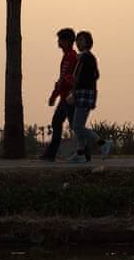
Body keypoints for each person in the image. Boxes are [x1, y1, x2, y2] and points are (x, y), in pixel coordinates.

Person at [41, 28, 88, 161]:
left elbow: (66, 78)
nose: (58, 42)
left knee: (75, 125)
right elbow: (62, 78)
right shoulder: (68, 56)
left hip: (69, 97)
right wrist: (55, 95)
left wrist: (55, 95)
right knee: (58, 122)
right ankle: (50, 154)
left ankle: (85, 152)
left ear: (67, 41)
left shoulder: (71, 57)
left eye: (60, 40)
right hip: (64, 97)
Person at [67, 31, 112, 163]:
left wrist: (73, 93)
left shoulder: (86, 58)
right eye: (77, 40)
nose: (78, 43)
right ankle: (80, 154)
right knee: (78, 125)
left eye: (81, 40)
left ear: (88, 42)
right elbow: (96, 75)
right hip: (85, 92)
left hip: (84, 94)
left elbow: (78, 78)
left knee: (77, 126)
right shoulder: (86, 57)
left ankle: (103, 143)